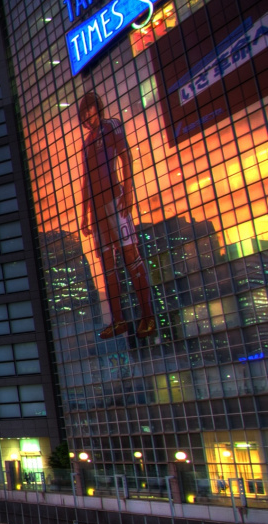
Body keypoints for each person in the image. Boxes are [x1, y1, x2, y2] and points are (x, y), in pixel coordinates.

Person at [78, 91, 157, 339]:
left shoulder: (111, 126)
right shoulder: (87, 142)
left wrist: (129, 191)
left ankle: (148, 316)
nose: (86, 118)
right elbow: (86, 181)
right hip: (98, 210)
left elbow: (126, 155)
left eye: (88, 112)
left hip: (115, 199)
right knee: (107, 263)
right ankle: (119, 321)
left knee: (130, 253)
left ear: (96, 108)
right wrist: (84, 214)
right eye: (83, 116)